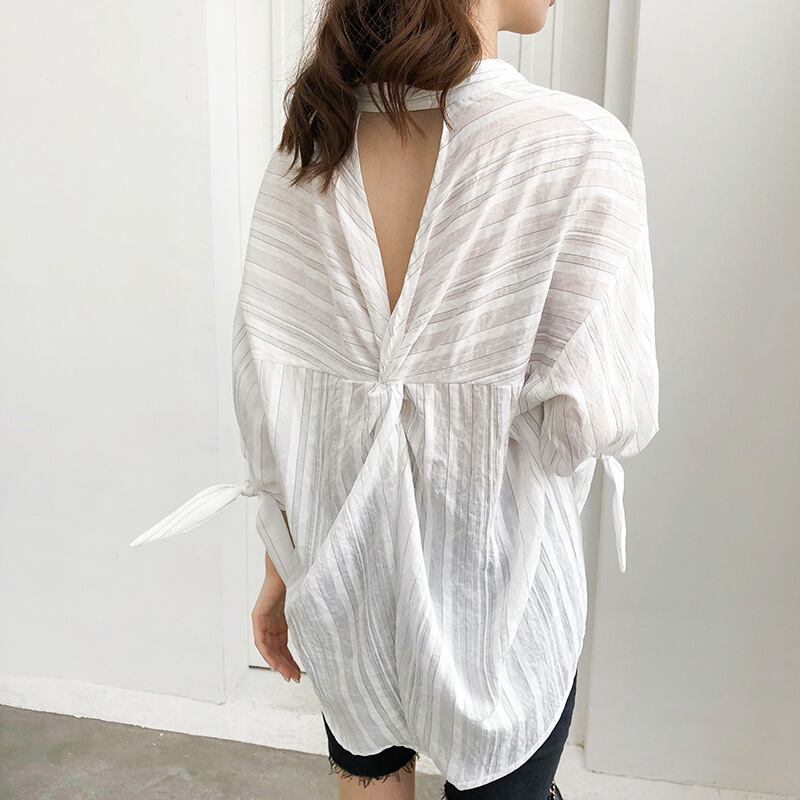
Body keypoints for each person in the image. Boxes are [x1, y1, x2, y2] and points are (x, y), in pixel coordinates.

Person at [130, 0, 659, 797]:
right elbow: (594, 421)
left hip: (347, 593)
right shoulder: (578, 147)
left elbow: (271, 409)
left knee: (370, 781)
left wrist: (281, 571)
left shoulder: (307, 155)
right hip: (500, 621)